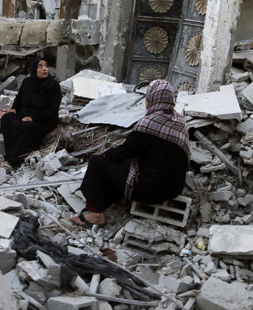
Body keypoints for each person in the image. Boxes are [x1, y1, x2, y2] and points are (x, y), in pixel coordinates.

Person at [72, 79, 190, 227]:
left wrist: (107, 154)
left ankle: (95, 214)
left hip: (150, 190)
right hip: (173, 189)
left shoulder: (150, 124)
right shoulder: (180, 122)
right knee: (127, 165)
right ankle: (114, 200)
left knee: (98, 163)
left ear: (152, 99)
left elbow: (125, 151)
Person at [0, 58, 62, 170]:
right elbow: (19, 98)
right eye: (40, 66)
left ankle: (10, 161)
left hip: (44, 120)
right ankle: (10, 154)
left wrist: (33, 118)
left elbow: (52, 110)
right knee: (6, 119)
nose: (45, 69)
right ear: (34, 69)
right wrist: (14, 109)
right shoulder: (27, 82)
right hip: (24, 115)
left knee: (27, 127)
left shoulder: (54, 86)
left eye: (46, 66)